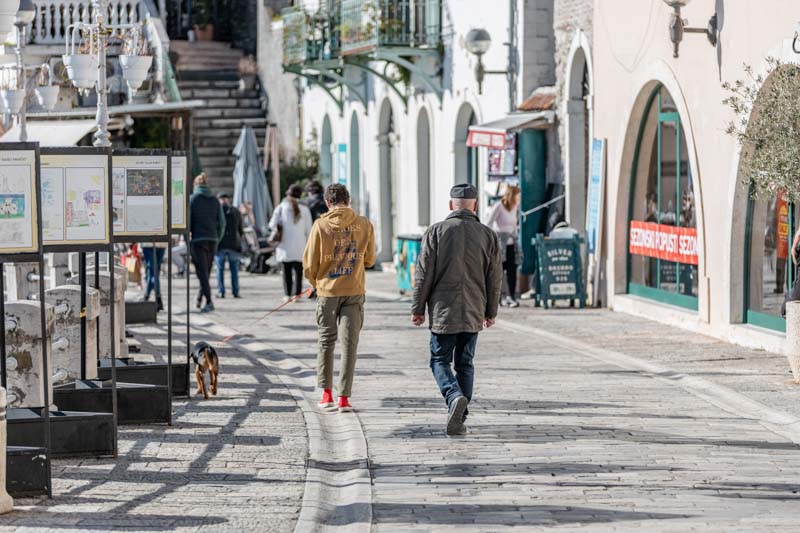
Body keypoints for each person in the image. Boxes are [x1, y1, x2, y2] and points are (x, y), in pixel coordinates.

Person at [412, 183, 502, 436]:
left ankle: (453, 398)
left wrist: (417, 308)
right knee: (465, 363)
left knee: (439, 359)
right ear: (474, 205)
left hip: (443, 311)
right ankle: (460, 417)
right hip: (474, 309)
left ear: (451, 205)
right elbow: (494, 278)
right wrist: (491, 311)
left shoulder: (436, 232)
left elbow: (423, 275)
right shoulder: (487, 235)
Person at [303, 183, 375, 412]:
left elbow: (309, 263)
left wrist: (316, 283)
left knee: (326, 342)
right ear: (349, 200)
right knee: (350, 345)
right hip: (354, 290)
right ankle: (344, 398)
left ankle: (326, 395)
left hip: (327, 291)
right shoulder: (364, 224)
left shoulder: (320, 225)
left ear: (327, 202)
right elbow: (370, 260)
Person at [270, 184, 313, 301]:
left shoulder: (281, 207)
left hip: (284, 246)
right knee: (299, 273)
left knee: (286, 273)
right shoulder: (305, 209)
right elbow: (309, 230)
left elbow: (272, 224)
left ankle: (287, 295)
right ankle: (297, 295)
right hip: (300, 246)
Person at [189, 173, 225, 313]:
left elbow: (189, 222)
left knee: (201, 272)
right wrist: (218, 238)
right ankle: (199, 298)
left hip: (198, 239)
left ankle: (209, 301)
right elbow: (222, 223)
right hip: (213, 239)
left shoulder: (192, 200)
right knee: (206, 272)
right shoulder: (215, 201)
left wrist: (188, 240)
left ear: (195, 185)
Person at [485, 185, 521, 308]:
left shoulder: (515, 207)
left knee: (512, 269)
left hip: (512, 242)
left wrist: (516, 236)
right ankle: (497, 297)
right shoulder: (499, 206)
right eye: (518, 196)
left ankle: (511, 296)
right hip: (500, 243)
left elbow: (514, 224)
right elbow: (488, 223)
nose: (519, 199)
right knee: (499, 270)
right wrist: (495, 236)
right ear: (512, 195)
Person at [215, 192, 244, 299]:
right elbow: (240, 229)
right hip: (233, 244)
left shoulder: (216, 211)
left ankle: (221, 291)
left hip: (220, 244)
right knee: (234, 270)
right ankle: (235, 291)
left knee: (220, 269)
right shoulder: (236, 211)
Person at [140, 242, 167, 311]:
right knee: (155, 272)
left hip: (148, 243)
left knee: (152, 272)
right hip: (161, 242)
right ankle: (157, 299)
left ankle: (148, 297)